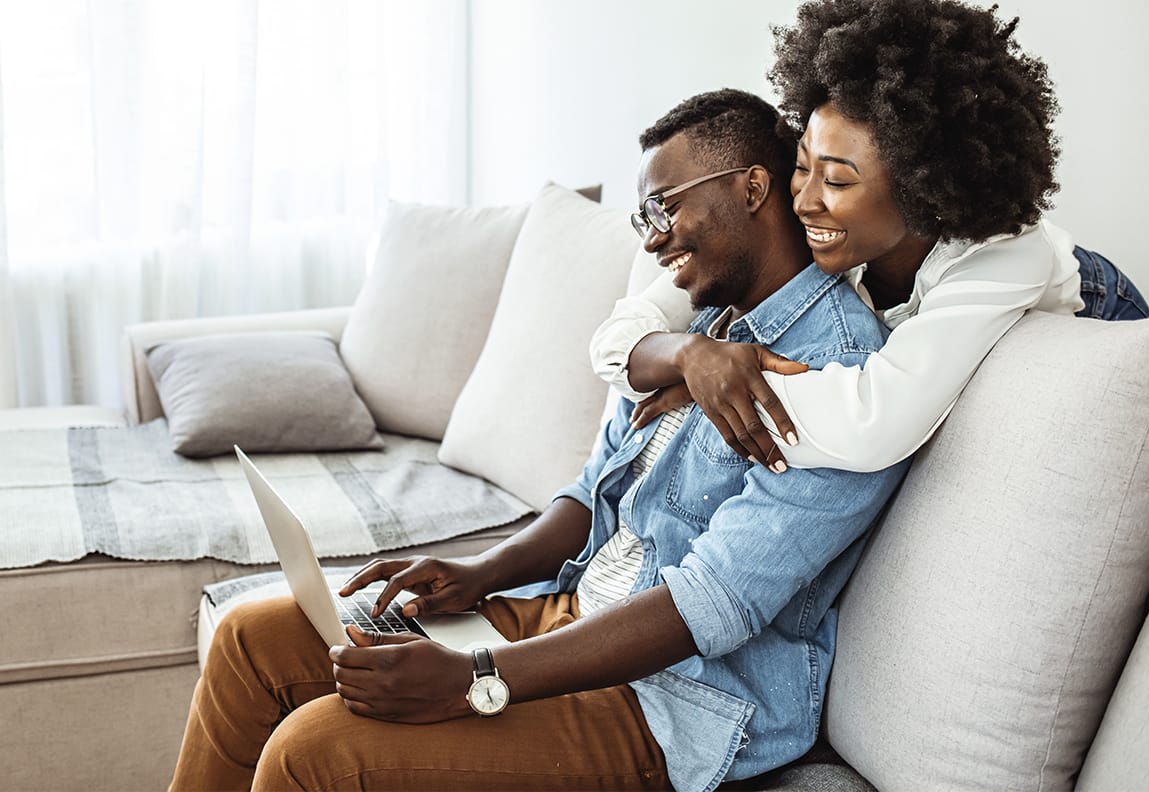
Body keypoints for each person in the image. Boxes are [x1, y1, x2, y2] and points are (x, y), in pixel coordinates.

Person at [169, 90, 911, 792]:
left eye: (665, 205)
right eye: (643, 214)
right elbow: (593, 497)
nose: (653, 237)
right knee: (251, 640)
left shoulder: (836, 372)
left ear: (751, 189)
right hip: (566, 611)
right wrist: (478, 573)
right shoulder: (697, 328)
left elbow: (711, 601)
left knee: (315, 750)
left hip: (670, 700)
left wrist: (477, 674)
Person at [591, 0, 1149, 476]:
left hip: (1100, 305)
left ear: (920, 190)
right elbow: (618, 338)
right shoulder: (800, 206)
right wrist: (690, 355)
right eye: (802, 166)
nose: (805, 199)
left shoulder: (1004, 254)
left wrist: (709, 387)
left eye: (836, 180)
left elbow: (874, 422)